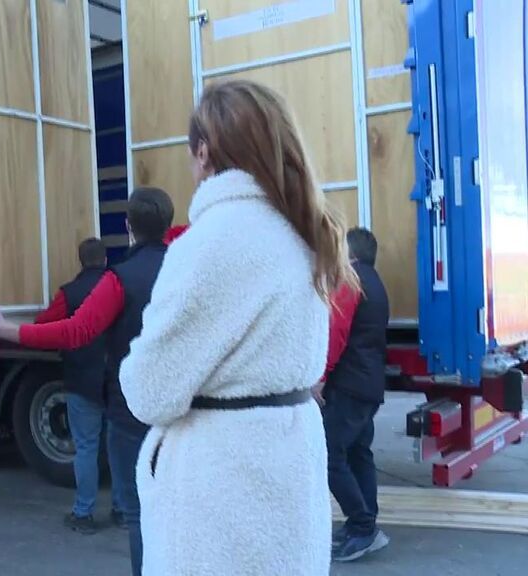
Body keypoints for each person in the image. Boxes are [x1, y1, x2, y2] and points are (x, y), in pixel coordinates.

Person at [114, 79, 357, 575]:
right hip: (291, 467)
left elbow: (150, 392)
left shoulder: (206, 245)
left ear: (203, 152)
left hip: (220, 496)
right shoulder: (305, 234)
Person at [0, 187, 183, 576]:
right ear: (169, 224)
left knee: (140, 513)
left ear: (128, 227)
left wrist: (5, 330)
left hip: (132, 415)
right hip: (185, 412)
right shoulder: (189, 268)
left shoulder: (119, 281)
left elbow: (75, 332)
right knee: (178, 510)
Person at [34, 237, 117, 534]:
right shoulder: (119, 286)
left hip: (82, 380)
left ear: (80, 262)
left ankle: (84, 514)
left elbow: (43, 324)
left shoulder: (68, 293)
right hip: (116, 380)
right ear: (105, 260)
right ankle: (120, 510)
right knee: (116, 446)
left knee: (86, 447)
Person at [317, 227, 390, 562]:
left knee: (330, 455)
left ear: (351, 254)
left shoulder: (351, 280)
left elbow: (336, 332)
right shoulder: (375, 281)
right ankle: (364, 521)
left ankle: (362, 528)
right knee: (359, 453)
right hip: (368, 385)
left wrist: (319, 377)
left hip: (349, 385)